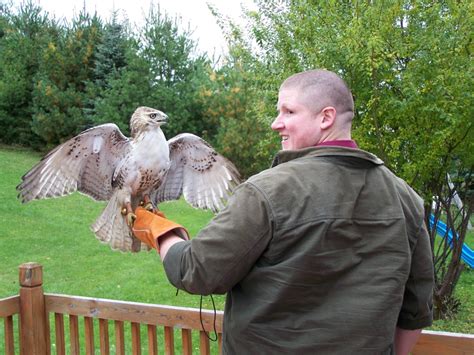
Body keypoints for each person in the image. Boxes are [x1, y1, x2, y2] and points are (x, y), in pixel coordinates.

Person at [132, 69, 434, 354]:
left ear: (326, 117)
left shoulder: (268, 191)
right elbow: (415, 311)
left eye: (288, 112)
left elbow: (195, 271)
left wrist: (158, 230)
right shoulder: (405, 197)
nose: (276, 123)